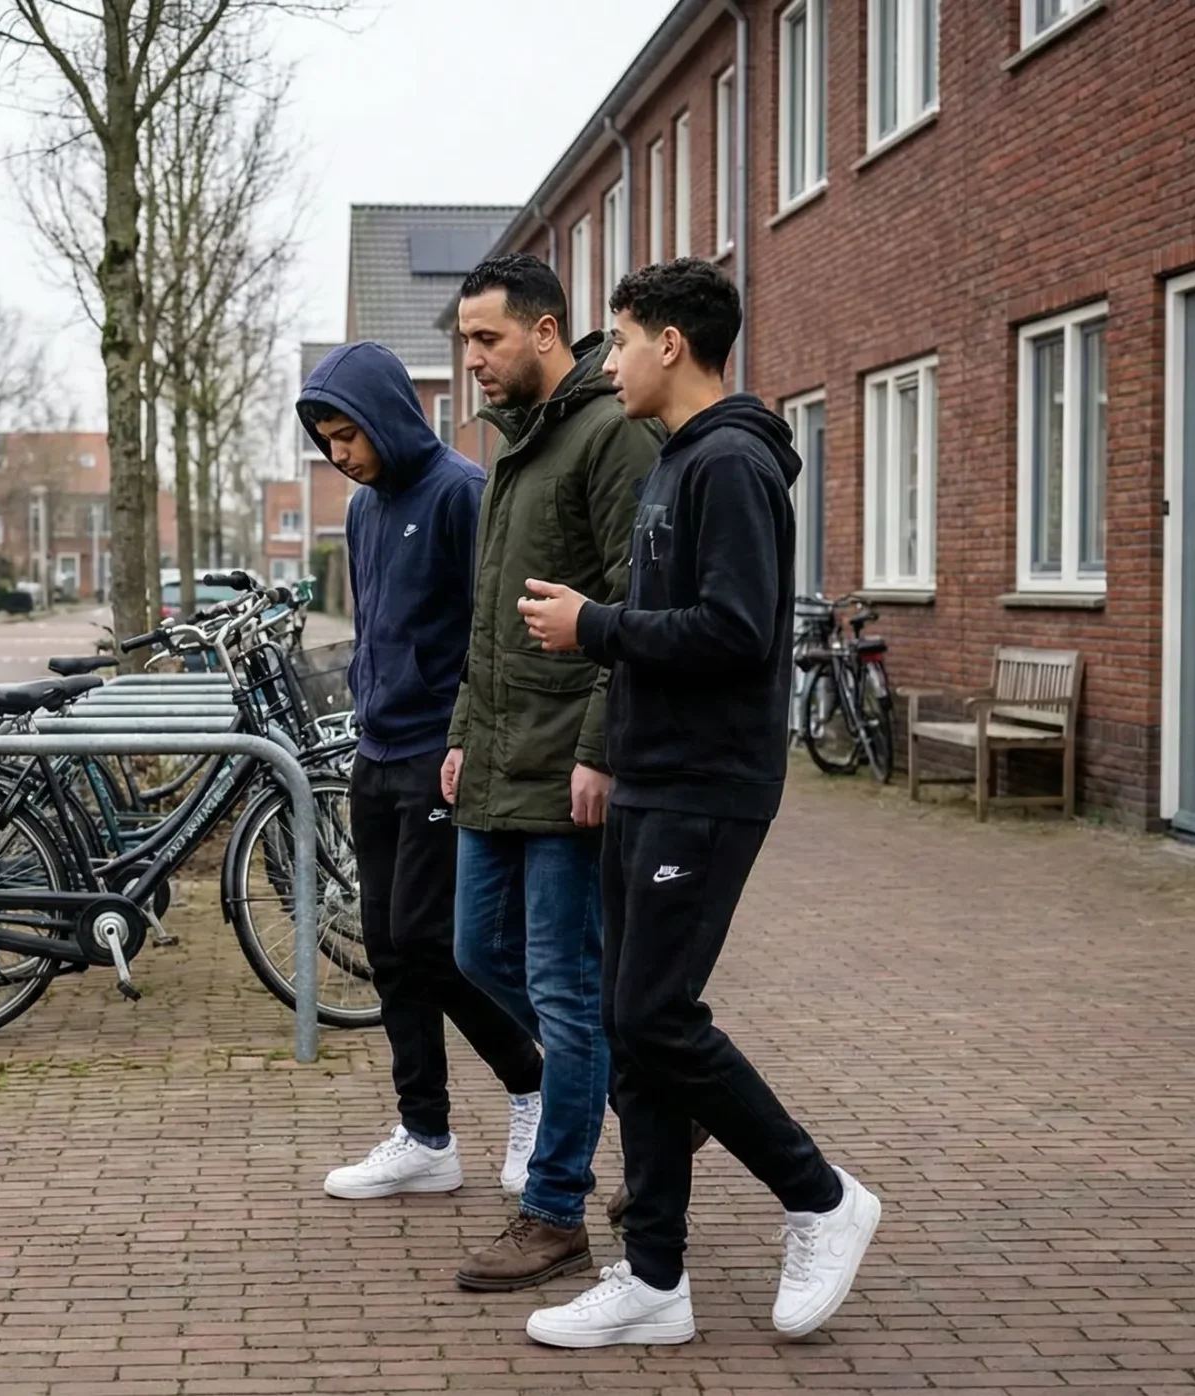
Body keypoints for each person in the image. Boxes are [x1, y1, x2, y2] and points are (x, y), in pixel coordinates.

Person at [514, 259, 881, 1348]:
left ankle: (820, 1196)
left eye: (621, 340)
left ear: (670, 344)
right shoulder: (678, 460)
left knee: (653, 1019)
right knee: (632, 1035)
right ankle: (653, 1280)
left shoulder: (730, 463)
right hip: (651, 776)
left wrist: (594, 626)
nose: (608, 363)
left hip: (707, 786)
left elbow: (736, 629)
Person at [442, 255, 658, 1293]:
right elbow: (488, 617)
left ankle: (556, 1209)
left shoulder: (610, 434)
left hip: (567, 760)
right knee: (476, 952)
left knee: (565, 992)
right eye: (463, 342)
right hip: (497, 755)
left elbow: (634, 602)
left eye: (486, 338)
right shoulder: (514, 447)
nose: (471, 360)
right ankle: (659, 1087)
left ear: (545, 330)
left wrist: (600, 746)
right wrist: (460, 730)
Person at [297, 341, 546, 1204]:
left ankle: (531, 1085)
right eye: (327, 441)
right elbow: (377, 626)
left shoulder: (461, 493)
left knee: (432, 943)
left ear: (387, 416)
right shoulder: (363, 509)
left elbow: (496, 632)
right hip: (375, 754)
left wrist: (472, 739)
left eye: (348, 435)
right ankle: (426, 1136)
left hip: (442, 756)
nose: (339, 454)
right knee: (389, 953)